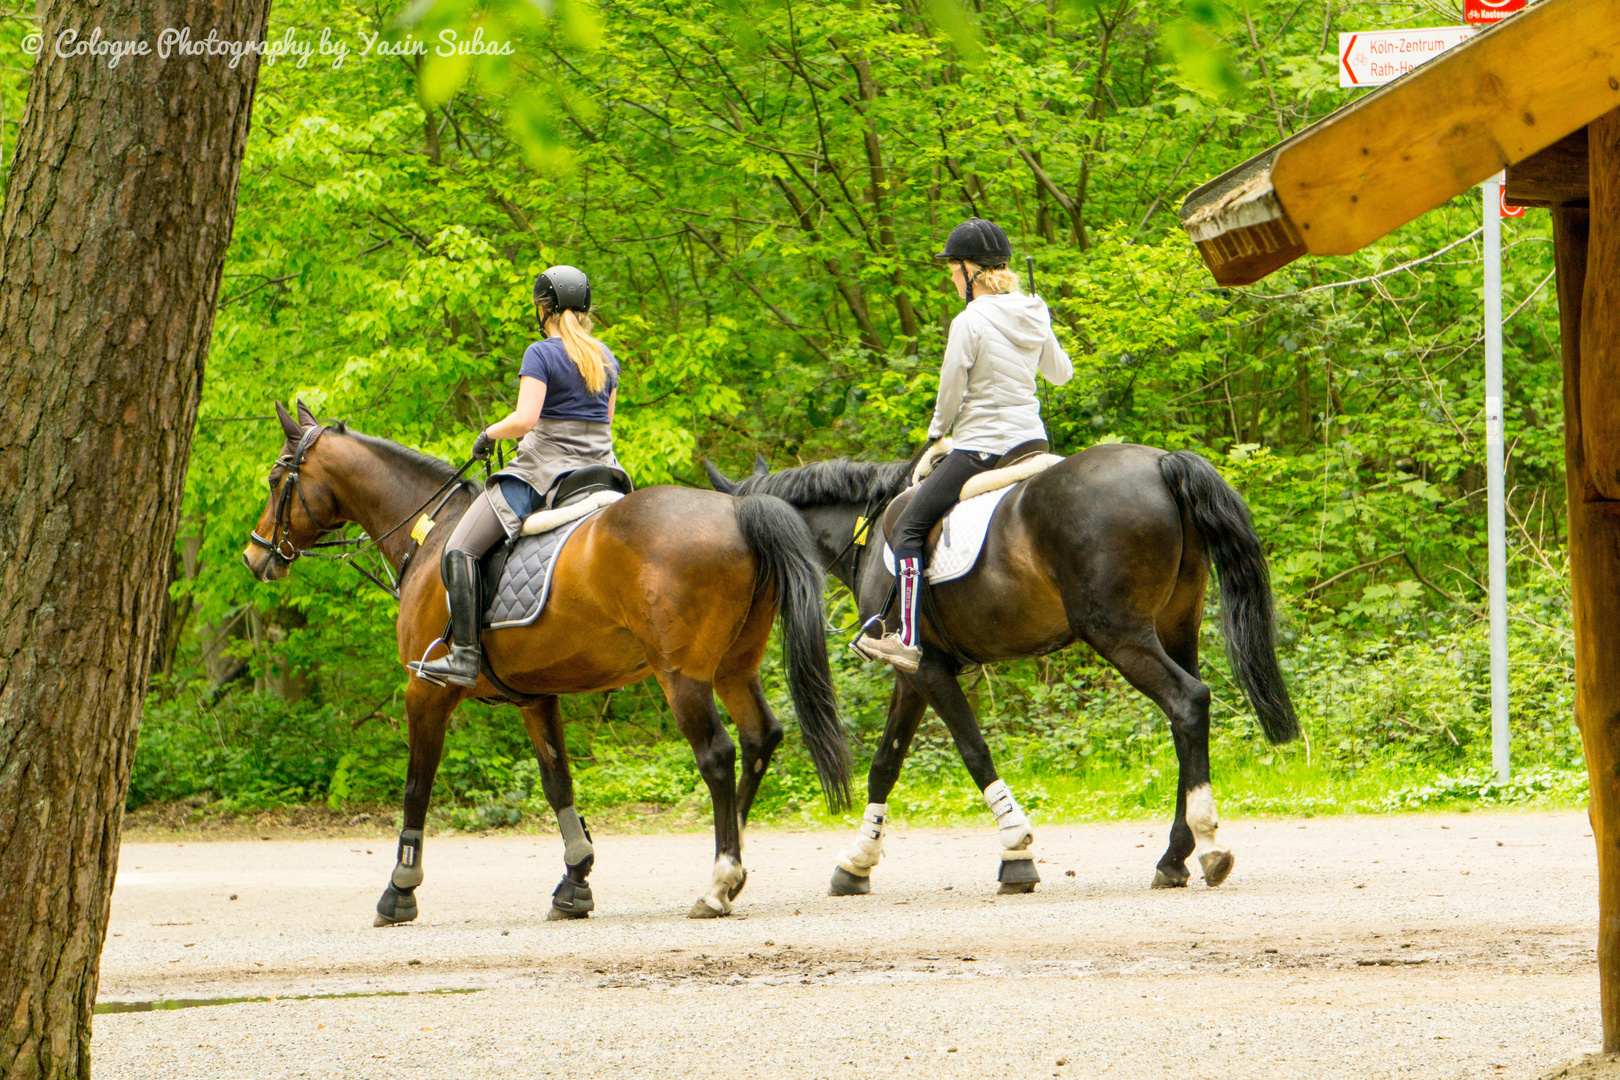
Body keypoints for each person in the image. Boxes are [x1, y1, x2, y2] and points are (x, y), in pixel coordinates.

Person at [854, 218, 1073, 674]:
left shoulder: (968, 320)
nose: (951, 278)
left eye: (953, 268)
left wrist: (937, 433)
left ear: (972, 271)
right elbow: (1061, 374)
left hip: (982, 450)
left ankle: (908, 639)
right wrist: (1041, 326)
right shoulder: (1034, 309)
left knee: (910, 526)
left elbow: (951, 389)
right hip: (1032, 443)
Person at [410, 265, 626, 687]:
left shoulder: (540, 353)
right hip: (604, 472)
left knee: (459, 548)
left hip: (544, 472)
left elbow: (526, 419)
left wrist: (488, 434)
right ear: (584, 309)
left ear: (542, 309)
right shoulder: (606, 358)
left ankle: (465, 658)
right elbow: (607, 421)